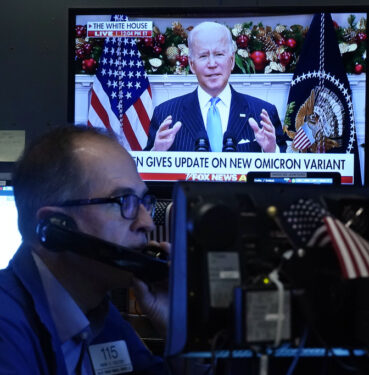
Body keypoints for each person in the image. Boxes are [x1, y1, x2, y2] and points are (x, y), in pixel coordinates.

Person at [0, 126, 169, 374]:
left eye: (144, 202)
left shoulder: (96, 311)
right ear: (57, 228)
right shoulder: (6, 326)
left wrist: (177, 328)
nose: (147, 223)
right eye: (124, 202)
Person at [145, 21, 287, 153]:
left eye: (219, 54)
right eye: (203, 56)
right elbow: (146, 175)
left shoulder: (263, 114)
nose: (212, 64)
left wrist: (271, 151)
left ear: (231, 61)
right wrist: (157, 153)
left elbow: (285, 175)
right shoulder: (165, 115)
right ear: (192, 65)